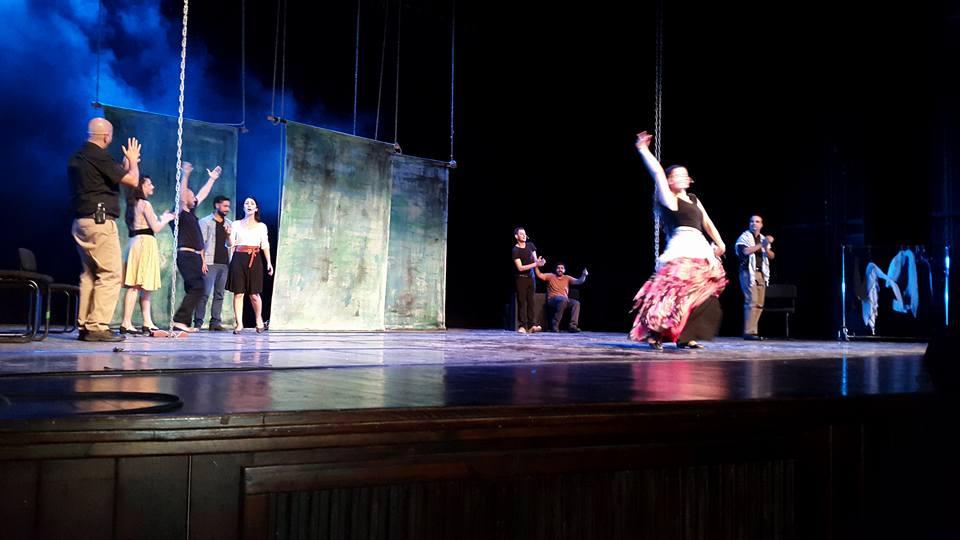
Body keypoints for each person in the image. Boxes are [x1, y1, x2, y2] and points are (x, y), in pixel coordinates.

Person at [629, 131, 728, 350]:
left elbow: (707, 222)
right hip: (682, 246)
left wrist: (720, 243)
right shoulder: (669, 199)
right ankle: (655, 333)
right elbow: (657, 172)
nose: (683, 177)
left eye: (685, 174)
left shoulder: (693, 198)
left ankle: (686, 335)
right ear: (670, 180)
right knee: (673, 292)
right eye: (677, 175)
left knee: (700, 293)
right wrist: (643, 150)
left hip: (700, 246)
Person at [68, 117, 142, 342]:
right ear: (107, 137)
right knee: (110, 274)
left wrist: (125, 165)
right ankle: (97, 326)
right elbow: (132, 181)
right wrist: (133, 162)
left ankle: (85, 325)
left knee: (90, 274)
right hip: (100, 221)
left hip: (82, 222)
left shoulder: (79, 156)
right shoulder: (99, 156)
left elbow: (112, 177)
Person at [170, 162, 222, 333]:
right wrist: (185, 175)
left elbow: (203, 194)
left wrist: (212, 179)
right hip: (185, 255)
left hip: (193, 256)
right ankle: (179, 320)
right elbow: (182, 196)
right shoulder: (179, 212)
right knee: (198, 287)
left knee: (195, 288)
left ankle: (183, 323)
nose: (194, 198)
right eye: (191, 195)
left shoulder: (191, 212)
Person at [119, 175, 175, 335]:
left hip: (137, 242)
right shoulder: (145, 204)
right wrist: (167, 218)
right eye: (149, 184)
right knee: (136, 285)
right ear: (141, 186)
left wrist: (162, 218)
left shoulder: (133, 204)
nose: (152, 187)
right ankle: (126, 322)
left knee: (145, 285)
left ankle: (147, 321)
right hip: (144, 243)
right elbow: (156, 228)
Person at [227, 197, 273, 333]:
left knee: (254, 294)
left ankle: (258, 319)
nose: (249, 205)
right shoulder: (235, 224)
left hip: (255, 258)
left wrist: (269, 262)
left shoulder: (261, 226)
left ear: (256, 209)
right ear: (243, 207)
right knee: (238, 293)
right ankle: (239, 324)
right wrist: (228, 235)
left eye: (252, 203)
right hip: (238, 258)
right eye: (246, 203)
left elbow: (265, 245)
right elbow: (230, 244)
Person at [195, 195, 232, 331]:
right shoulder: (205, 222)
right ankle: (198, 322)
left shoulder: (229, 223)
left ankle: (215, 322)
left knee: (219, 294)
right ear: (217, 205)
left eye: (228, 206)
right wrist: (202, 262)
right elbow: (200, 244)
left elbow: (230, 244)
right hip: (209, 262)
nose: (227, 209)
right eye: (225, 206)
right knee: (204, 293)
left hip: (224, 263)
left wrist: (228, 235)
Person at [735, 215, 775, 340]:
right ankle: (749, 332)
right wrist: (762, 244)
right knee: (751, 301)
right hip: (748, 272)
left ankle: (753, 331)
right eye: (752, 221)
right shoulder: (745, 237)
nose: (754, 223)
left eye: (757, 221)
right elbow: (745, 251)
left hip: (761, 273)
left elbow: (771, 256)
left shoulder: (762, 238)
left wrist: (766, 246)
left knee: (759, 303)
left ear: (761, 225)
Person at [535, 262, 588, 332]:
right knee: (562, 300)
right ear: (555, 269)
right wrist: (536, 265)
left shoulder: (567, 278)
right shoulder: (550, 276)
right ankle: (555, 325)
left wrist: (584, 275)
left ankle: (573, 326)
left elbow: (578, 281)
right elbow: (539, 275)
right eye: (558, 268)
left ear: (564, 270)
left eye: (562, 268)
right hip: (553, 299)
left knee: (576, 303)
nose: (560, 269)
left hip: (564, 299)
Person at [512, 227, 545, 334]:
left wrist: (539, 262)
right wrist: (535, 264)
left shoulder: (531, 245)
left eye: (525, 233)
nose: (524, 235)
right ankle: (522, 326)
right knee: (522, 302)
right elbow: (520, 268)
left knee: (531, 302)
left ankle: (532, 326)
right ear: (516, 236)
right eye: (521, 234)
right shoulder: (515, 250)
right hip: (521, 278)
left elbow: (535, 260)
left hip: (531, 277)